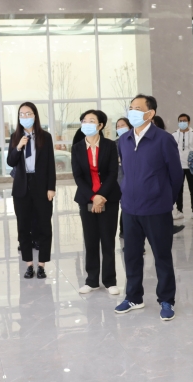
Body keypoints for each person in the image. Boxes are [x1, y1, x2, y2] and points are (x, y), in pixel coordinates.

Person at [114, 95, 183, 321]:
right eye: (130, 108)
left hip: (156, 209)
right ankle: (134, 297)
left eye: (137, 108)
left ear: (150, 113)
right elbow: (123, 171)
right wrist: (125, 190)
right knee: (132, 256)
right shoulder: (124, 140)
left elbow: (176, 175)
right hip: (130, 209)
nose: (132, 112)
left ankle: (166, 299)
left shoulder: (163, 139)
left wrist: (165, 199)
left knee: (162, 256)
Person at [72, 110, 122, 296]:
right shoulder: (77, 148)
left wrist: (101, 196)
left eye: (91, 121)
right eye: (84, 121)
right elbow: (78, 176)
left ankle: (110, 281)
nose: (87, 124)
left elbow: (113, 173)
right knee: (90, 239)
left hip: (109, 197)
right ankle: (91, 280)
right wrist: (93, 197)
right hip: (86, 198)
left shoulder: (110, 145)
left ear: (100, 125)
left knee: (108, 240)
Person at [7, 102, 56, 279]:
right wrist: (19, 147)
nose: (25, 117)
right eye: (22, 114)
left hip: (41, 186)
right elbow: (10, 161)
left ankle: (41, 265)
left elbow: (50, 164)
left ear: (35, 116)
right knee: (23, 227)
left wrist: (51, 187)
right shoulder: (15, 137)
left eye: (28, 113)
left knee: (44, 227)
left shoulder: (45, 137)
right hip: (21, 187)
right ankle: (28, 264)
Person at [152, 116, 185, 235]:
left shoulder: (165, 139)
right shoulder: (128, 140)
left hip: (162, 189)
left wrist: (170, 197)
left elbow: (176, 174)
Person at [173, 113, 193, 220]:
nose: (182, 122)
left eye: (184, 120)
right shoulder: (174, 135)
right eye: (180, 121)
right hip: (179, 166)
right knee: (179, 190)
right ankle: (179, 210)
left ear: (189, 122)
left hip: (191, 166)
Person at [115, 117, 133, 238]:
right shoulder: (114, 143)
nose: (120, 128)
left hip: (134, 176)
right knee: (124, 203)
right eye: (118, 126)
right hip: (120, 177)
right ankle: (123, 230)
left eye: (123, 125)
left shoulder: (134, 141)